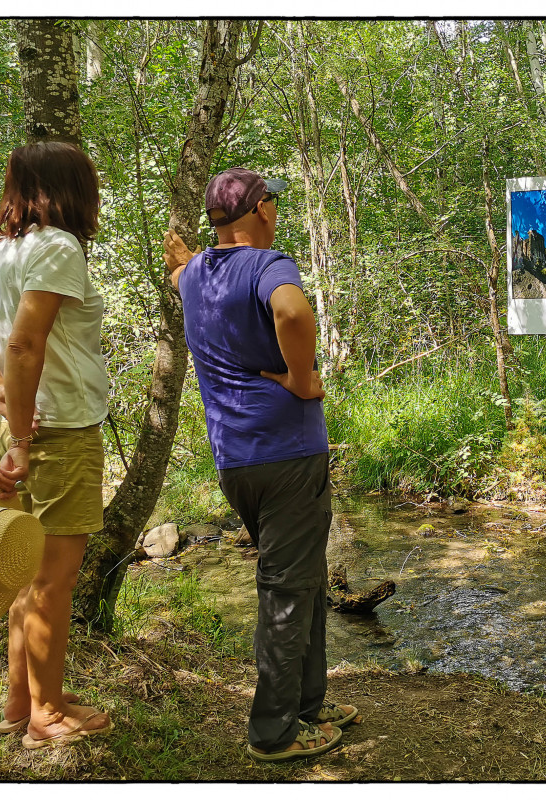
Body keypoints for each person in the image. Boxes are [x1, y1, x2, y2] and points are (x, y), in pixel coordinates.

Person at [163, 167, 358, 762]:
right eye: (272, 201)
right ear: (265, 210)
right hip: (288, 453)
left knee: (304, 579)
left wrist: (186, 256)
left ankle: (309, 704)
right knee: (286, 589)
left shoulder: (196, 275)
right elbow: (294, 314)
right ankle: (274, 732)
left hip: (236, 461)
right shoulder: (271, 266)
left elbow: (183, 274)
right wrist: (301, 379)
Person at [0, 141, 113, 750]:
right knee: (54, 579)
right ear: (73, 189)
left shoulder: (0, 253)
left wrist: (1, 401)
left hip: (28, 426)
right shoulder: (59, 247)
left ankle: (23, 701)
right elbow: (22, 344)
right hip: (58, 431)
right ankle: (46, 717)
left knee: (27, 571)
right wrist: (20, 431)